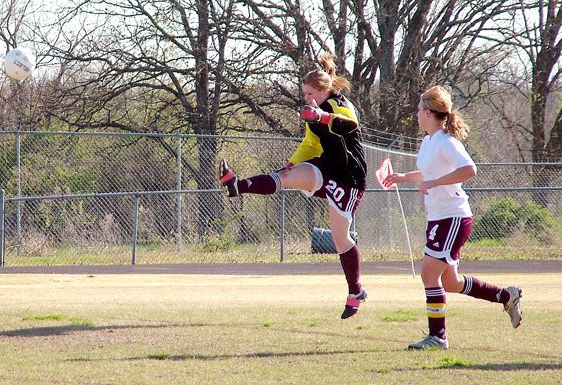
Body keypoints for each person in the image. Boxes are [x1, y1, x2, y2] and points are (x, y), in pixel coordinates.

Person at [218, 52, 368, 320]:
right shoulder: (314, 112)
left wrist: (321, 116)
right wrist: (291, 163)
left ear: (324, 90)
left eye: (310, 93)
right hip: (326, 167)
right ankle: (236, 186)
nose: (307, 99)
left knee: (340, 238)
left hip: (349, 177)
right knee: (285, 177)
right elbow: (310, 144)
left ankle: (355, 291)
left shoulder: (338, 103)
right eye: (304, 94)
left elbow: (349, 124)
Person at [383, 85, 522, 350]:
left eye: (418, 109)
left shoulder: (447, 142)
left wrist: (434, 182)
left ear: (428, 112)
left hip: (453, 217)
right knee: (451, 282)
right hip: (439, 218)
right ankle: (507, 295)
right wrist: (402, 177)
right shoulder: (428, 142)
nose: (416, 114)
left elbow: (470, 169)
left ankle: (438, 337)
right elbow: (428, 174)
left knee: (428, 274)